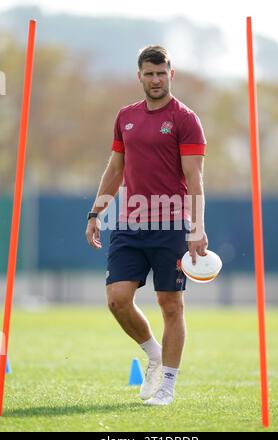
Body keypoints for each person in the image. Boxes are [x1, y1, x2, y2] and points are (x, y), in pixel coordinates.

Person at [86, 45, 208, 406]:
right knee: (117, 300)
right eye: (149, 73)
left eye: (161, 72)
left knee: (171, 304)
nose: (155, 79)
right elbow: (115, 168)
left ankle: (167, 384)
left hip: (171, 224)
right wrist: (96, 213)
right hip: (129, 223)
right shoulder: (125, 116)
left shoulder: (186, 118)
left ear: (172, 73)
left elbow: (195, 177)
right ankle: (154, 353)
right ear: (138, 75)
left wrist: (197, 227)